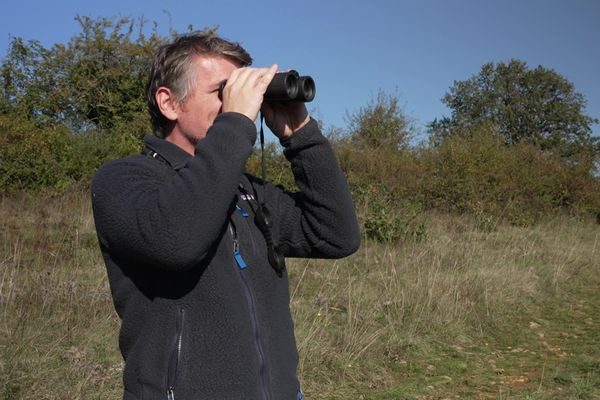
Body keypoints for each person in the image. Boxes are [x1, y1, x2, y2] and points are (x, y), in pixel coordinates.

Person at [91, 29, 360, 400]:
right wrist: (235, 122)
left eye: (243, 91)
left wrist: (301, 134)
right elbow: (179, 239)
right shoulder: (124, 181)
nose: (239, 103)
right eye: (223, 92)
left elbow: (336, 235)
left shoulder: (246, 191)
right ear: (169, 103)